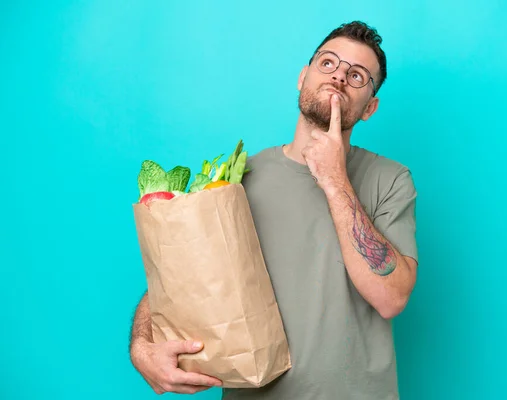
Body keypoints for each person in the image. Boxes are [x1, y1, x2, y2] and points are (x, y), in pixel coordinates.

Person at [129, 20, 419, 400]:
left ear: (370, 108)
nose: (338, 78)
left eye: (357, 75)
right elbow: (177, 280)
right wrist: (142, 347)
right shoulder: (237, 177)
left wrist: (334, 179)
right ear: (303, 76)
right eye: (327, 63)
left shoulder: (391, 179)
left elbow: (391, 297)